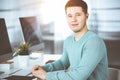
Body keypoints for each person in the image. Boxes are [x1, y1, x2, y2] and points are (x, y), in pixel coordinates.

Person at [32, 0, 109, 80]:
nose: (73, 19)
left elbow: (78, 76)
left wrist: (46, 76)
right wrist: (43, 69)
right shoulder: (68, 41)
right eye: (70, 16)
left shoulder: (94, 42)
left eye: (78, 15)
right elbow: (62, 63)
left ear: (86, 16)